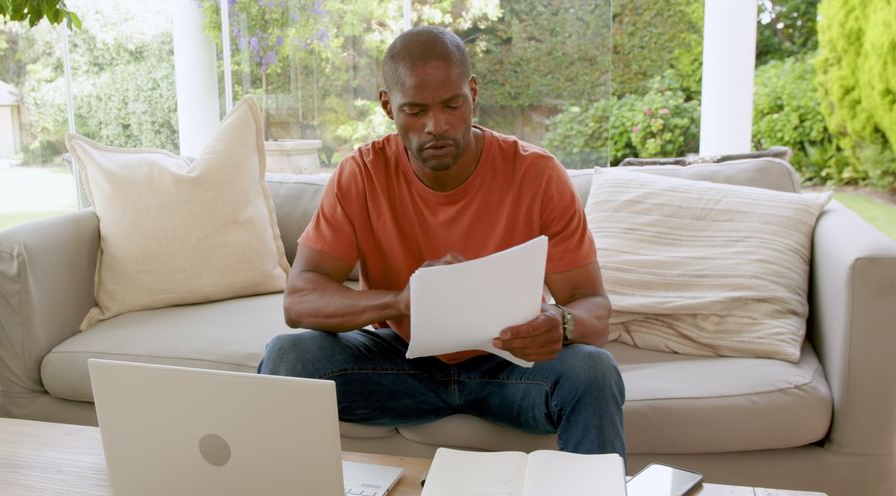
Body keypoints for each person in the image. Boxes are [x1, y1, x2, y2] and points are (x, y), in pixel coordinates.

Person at [258, 26, 625, 457]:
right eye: (415, 110)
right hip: (400, 363)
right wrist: (400, 302)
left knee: (594, 370)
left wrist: (561, 324)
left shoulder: (537, 174)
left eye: (452, 105)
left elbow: (594, 310)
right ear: (386, 106)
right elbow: (299, 301)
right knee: (287, 358)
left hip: (511, 367)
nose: (437, 126)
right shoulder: (362, 174)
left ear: (473, 92)